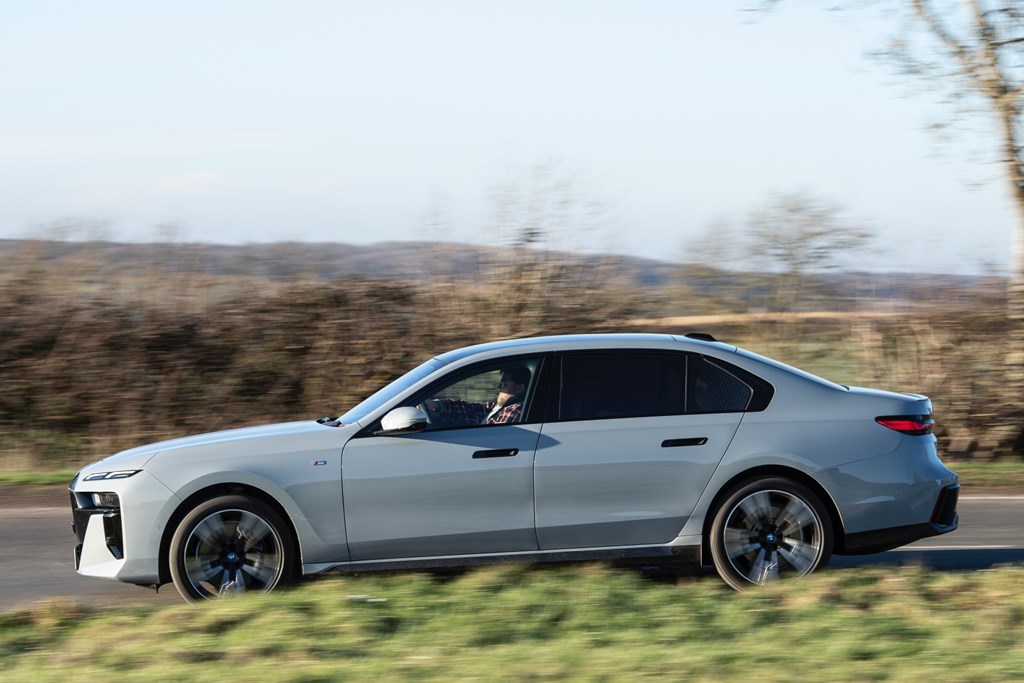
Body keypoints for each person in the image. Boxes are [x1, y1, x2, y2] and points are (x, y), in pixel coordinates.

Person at [421, 366, 530, 426]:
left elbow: (490, 437)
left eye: (503, 384)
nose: (499, 388)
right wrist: (438, 405)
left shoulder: (515, 411)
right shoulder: (502, 408)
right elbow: (474, 410)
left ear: (520, 388)